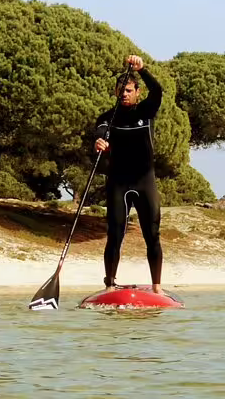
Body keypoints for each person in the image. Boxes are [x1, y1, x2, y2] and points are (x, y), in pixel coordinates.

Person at [94, 54, 165, 295]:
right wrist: (100, 142)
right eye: (120, 90)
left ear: (137, 91)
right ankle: (109, 285)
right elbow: (101, 130)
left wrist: (142, 69)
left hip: (145, 182)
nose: (124, 94)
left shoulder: (146, 110)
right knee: (114, 234)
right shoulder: (108, 118)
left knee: (152, 234)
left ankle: (157, 287)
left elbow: (158, 91)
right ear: (116, 92)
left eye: (128, 90)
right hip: (118, 183)